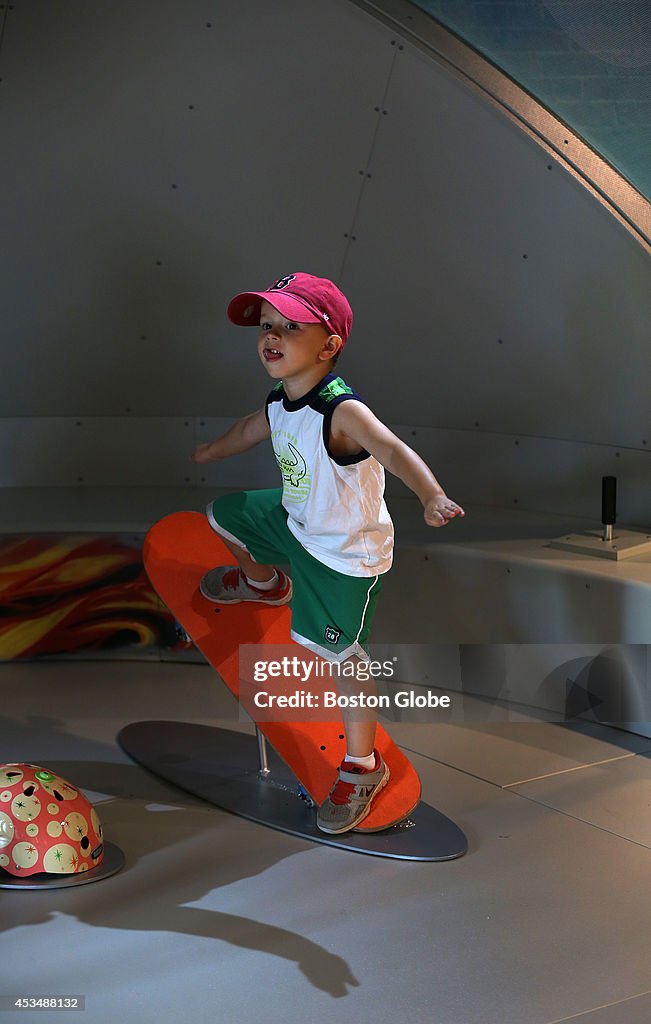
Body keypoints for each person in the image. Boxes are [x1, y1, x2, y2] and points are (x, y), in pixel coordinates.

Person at [192, 273, 465, 833]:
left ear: (329, 344)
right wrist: (211, 451)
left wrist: (431, 495)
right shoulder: (281, 399)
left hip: (340, 554)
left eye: (291, 327)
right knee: (226, 517)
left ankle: (363, 767)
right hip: (297, 521)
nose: (273, 336)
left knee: (340, 657)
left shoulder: (342, 411)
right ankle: (265, 583)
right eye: (267, 326)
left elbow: (391, 447)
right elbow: (252, 428)